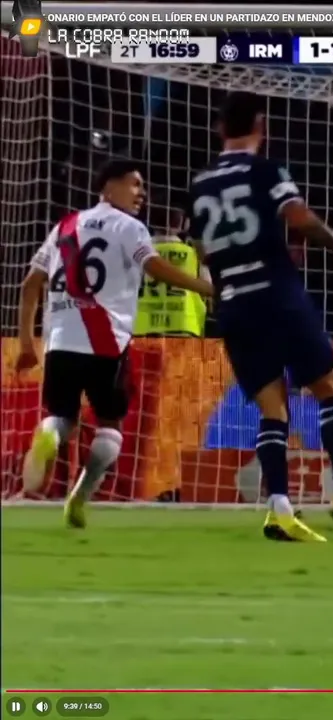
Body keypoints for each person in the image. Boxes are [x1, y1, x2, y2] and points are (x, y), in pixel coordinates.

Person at [187, 91, 333, 543]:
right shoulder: (266, 170)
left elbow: (203, 251)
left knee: (272, 407)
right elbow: (298, 216)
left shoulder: (199, 184)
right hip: (277, 293)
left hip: (234, 302)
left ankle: (279, 508)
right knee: (329, 387)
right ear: (261, 127)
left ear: (220, 129)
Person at [15, 158, 215, 527]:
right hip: (106, 341)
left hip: (60, 341)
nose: (142, 193)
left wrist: (27, 344)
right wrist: (206, 287)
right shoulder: (130, 227)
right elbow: (154, 267)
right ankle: (80, 496)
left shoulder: (65, 226)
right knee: (110, 426)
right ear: (109, 187)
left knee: (61, 417)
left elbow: (30, 284)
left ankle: (48, 435)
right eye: (135, 184)